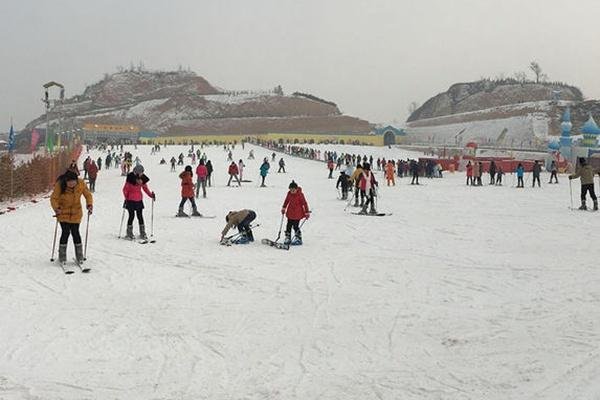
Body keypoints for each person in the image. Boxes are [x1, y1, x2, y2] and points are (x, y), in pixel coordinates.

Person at [50, 170, 93, 263]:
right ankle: (62, 256)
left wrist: (89, 205)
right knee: (65, 232)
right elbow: (53, 198)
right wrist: (56, 208)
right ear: (66, 181)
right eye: (69, 182)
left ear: (76, 180)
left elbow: (88, 195)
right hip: (63, 213)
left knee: (75, 233)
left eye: (73, 182)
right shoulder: (60, 185)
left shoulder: (81, 183)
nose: (71, 184)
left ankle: (79, 256)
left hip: (76, 213)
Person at [123, 164, 155, 240]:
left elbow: (145, 189)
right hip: (130, 200)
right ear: (137, 172)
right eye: (141, 172)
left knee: (140, 216)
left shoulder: (142, 179)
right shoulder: (130, 179)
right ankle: (129, 233)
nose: (142, 174)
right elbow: (125, 190)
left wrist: (151, 195)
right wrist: (126, 198)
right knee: (131, 216)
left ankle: (142, 232)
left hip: (139, 200)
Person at [281, 181, 310, 245]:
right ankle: (288, 237)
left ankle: (298, 238)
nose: (292, 191)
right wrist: (284, 207)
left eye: (293, 190)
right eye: (291, 190)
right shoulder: (289, 194)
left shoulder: (300, 195)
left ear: (296, 189)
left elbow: (304, 203)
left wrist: (307, 212)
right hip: (290, 212)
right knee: (288, 225)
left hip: (298, 213)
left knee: (295, 226)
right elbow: (286, 201)